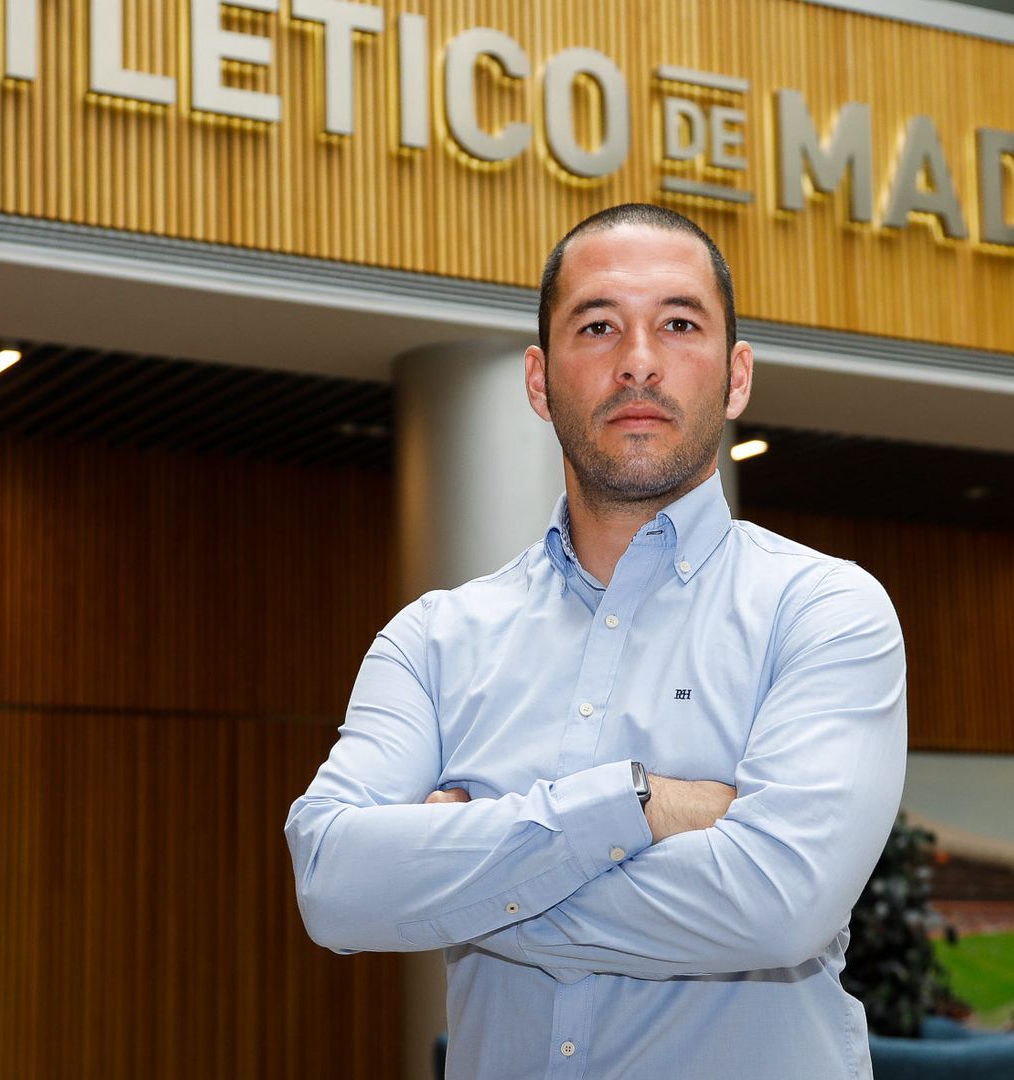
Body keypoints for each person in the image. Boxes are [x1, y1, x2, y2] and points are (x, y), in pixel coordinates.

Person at [284, 203, 909, 1078]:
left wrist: (458, 880)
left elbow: (779, 908)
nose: (639, 361)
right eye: (599, 325)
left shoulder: (823, 611)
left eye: (679, 324)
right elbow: (333, 882)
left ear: (736, 378)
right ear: (539, 382)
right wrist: (639, 802)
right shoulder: (432, 640)